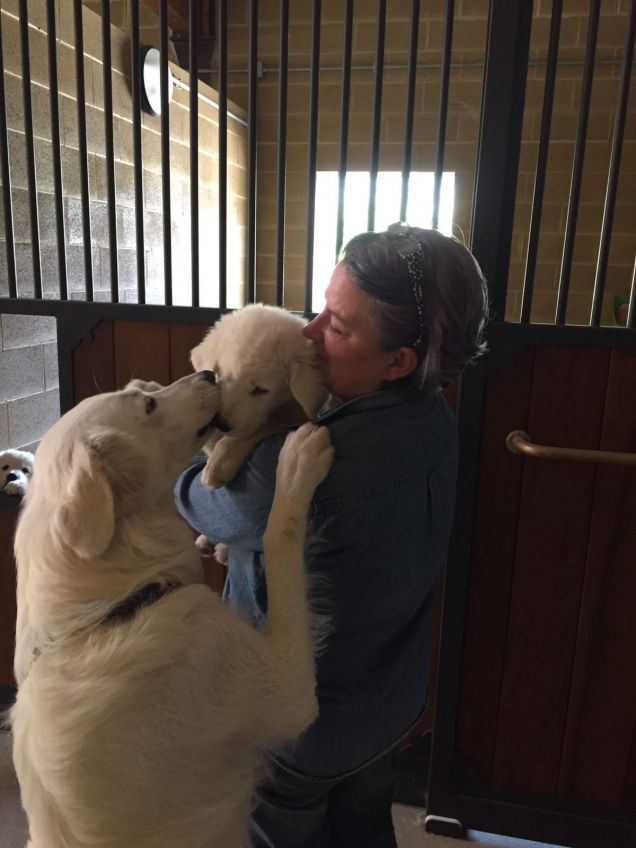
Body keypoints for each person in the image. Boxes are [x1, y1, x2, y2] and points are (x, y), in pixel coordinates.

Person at [175, 223, 489, 847]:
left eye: (339, 327)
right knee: (363, 825)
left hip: (294, 724)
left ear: (398, 360)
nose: (310, 331)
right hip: (386, 701)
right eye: (320, 308)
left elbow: (195, 500)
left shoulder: (306, 464)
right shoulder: (430, 413)